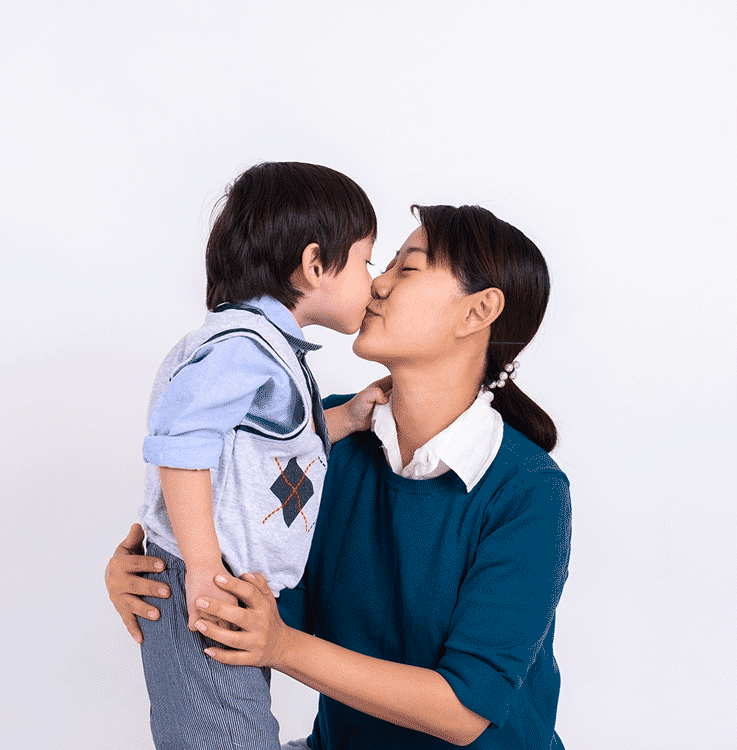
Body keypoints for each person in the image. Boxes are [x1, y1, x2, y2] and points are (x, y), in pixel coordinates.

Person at [107, 204, 572, 750]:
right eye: (384, 264)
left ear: (478, 311)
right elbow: (256, 590)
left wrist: (283, 647)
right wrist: (158, 576)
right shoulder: (328, 438)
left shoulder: (530, 490)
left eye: (407, 268)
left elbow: (464, 710)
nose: (378, 284)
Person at [135, 161, 391, 750]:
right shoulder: (245, 347)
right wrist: (204, 566)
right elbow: (182, 439)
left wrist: (347, 419)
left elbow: (259, 451)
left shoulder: (260, 347)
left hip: (228, 584)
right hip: (206, 584)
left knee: (241, 730)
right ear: (314, 264)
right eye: (366, 261)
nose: (374, 282)